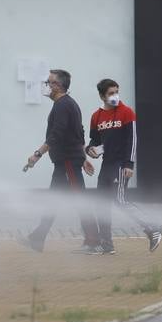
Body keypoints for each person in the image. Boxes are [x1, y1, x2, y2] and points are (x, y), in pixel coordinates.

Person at [20, 69, 100, 254]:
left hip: (67, 163)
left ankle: (93, 242)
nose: (46, 86)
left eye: (49, 83)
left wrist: (37, 154)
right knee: (53, 201)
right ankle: (38, 238)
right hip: (67, 162)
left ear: (58, 86)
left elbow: (57, 134)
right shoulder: (66, 104)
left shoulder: (63, 105)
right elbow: (79, 132)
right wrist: (83, 157)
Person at [86, 78, 162, 254]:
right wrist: (89, 149)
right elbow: (95, 141)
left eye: (116, 92)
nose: (115, 96)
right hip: (106, 165)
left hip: (121, 165)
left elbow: (132, 140)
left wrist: (129, 164)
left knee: (120, 200)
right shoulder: (96, 117)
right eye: (110, 93)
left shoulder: (126, 112)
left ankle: (153, 227)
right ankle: (106, 245)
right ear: (101, 96)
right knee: (101, 204)